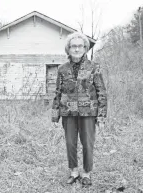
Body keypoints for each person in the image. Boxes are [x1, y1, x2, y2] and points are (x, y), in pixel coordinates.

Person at [51, 32, 107, 187]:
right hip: (68, 113)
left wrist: (101, 116)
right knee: (70, 143)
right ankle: (74, 171)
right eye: (73, 46)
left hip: (88, 112)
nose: (76, 49)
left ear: (85, 48)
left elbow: (101, 92)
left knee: (88, 143)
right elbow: (57, 92)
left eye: (80, 46)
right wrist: (55, 115)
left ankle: (87, 173)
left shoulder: (94, 67)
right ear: (68, 49)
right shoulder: (62, 69)